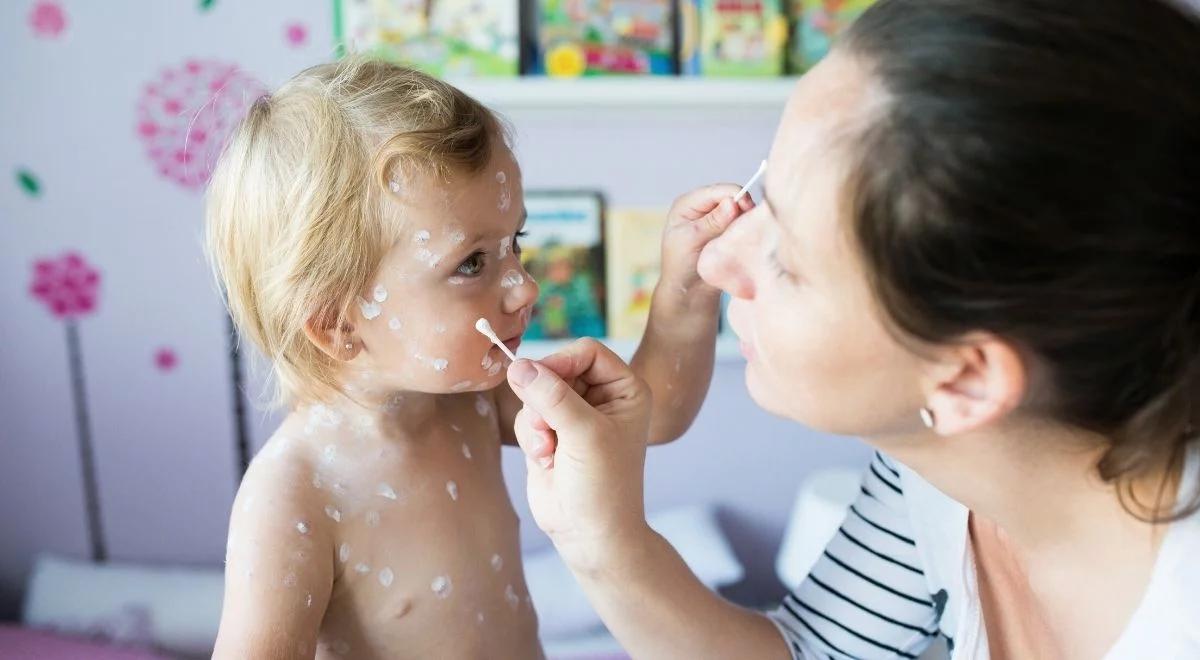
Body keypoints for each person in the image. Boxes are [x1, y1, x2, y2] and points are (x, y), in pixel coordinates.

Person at [504, 0, 1200, 657]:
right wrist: (600, 538)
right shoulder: (931, 469)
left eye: (788, 261)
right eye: (764, 195)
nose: (715, 261)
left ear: (966, 378)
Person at [204, 56, 748, 658]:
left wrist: (688, 285)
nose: (525, 287)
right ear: (336, 326)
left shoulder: (472, 403)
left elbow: (654, 413)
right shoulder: (293, 496)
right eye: (471, 263)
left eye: (516, 242)